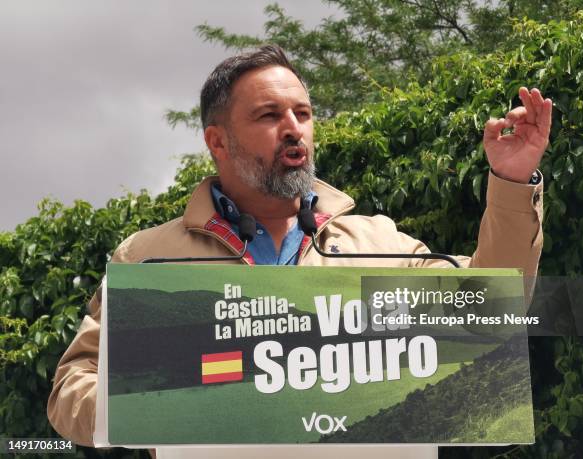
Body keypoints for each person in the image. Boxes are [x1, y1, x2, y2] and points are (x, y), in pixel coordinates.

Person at [48, 45, 552, 458]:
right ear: (217, 141)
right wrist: (153, 403)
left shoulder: (383, 244)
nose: (294, 129)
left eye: (303, 114)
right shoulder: (147, 259)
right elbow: (74, 385)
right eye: (269, 115)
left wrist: (510, 180)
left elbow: (490, 308)